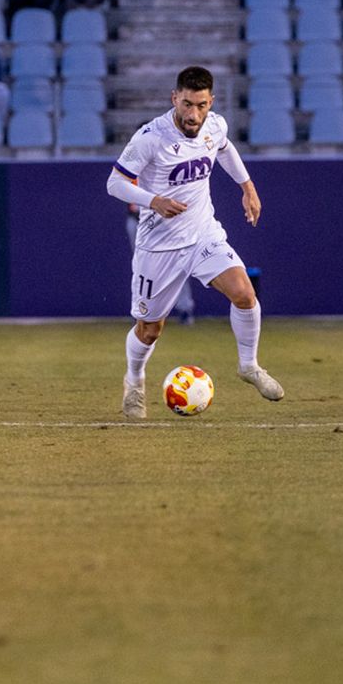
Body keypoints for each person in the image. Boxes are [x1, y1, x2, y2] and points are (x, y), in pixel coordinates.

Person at [105, 65, 282, 419]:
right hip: (159, 246)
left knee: (245, 294)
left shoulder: (214, 125)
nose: (193, 114)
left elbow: (225, 149)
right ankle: (135, 381)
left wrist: (247, 187)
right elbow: (114, 183)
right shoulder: (150, 137)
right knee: (150, 329)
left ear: (210, 102)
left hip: (203, 234)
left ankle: (249, 366)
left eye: (201, 105)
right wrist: (153, 200)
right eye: (187, 104)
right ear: (175, 98)